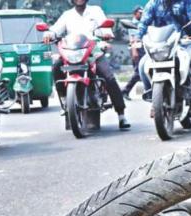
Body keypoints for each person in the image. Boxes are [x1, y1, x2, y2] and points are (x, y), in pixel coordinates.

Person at [43, 0, 130, 129]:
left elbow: (105, 27)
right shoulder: (67, 15)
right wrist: (49, 34)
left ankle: (121, 114)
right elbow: (55, 30)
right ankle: (65, 100)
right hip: (72, 53)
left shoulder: (95, 11)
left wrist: (106, 33)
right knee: (56, 68)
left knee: (109, 78)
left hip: (93, 52)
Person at [137, 0, 191, 113]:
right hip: (160, 46)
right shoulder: (153, 3)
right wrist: (137, 37)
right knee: (142, 65)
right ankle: (154, 101)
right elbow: (143, 23)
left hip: (185, 42)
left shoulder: (187, 2)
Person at [120, 5, 145, 100]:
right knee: (138, 72)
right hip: (136, 48)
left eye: (142, 13)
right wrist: (134, 51)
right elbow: (132, 38)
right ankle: (125, 91)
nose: (142, 14)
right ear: (135, 14)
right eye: (140, 13)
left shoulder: (142, 23)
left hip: (143, 48)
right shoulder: (133, 23)